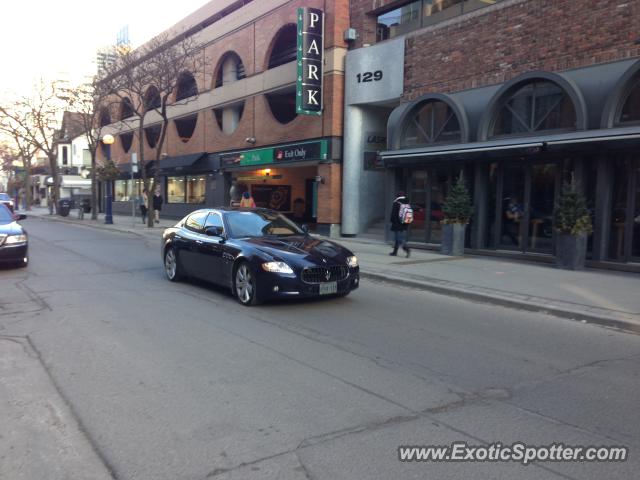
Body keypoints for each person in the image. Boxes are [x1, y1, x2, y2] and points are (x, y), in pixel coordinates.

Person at [390, 191, 411, 258]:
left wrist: (392, 221)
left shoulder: (396, 202)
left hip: (397, 224)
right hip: (405, 223)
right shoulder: (407, 202)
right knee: (398, 238)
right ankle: (395, 252)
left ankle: (407, 249)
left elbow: (393, 215)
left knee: (399, 239)